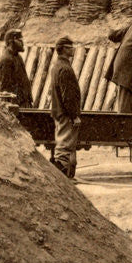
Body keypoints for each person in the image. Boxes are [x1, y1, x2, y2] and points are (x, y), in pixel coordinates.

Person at [49, 36, 82, 179]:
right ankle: (61, 176)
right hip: (66, 114)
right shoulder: (65, 69)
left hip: (59, 111)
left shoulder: (57, 66)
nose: (73, 49)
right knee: (64, 145)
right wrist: (74, 115)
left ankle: (64, 174)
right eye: (70, 47)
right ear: (63, 49)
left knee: (63, 143)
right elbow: (68, 96)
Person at [0, 27, 33, 107]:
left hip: (24, 102)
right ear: (11, 41)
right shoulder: (6, 60)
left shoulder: (17, 57)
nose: (22, 43)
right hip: (15, 104)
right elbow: (6, 89)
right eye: (20, 40)